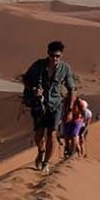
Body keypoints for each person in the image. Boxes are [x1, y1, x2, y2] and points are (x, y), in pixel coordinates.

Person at [22, 40, 78, 172]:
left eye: (58, 56)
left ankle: (46, 162)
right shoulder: (38, 65)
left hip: (56, 105)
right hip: (39, 104)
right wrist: (33, 88)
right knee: (39, 135)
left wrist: (70, 110)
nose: (55, 59)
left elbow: (72, 89)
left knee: (52, 134)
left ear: (61, 56)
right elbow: (25, 78)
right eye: (53, 55)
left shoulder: (65, 68)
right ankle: (41, 151)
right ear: (48, 54)